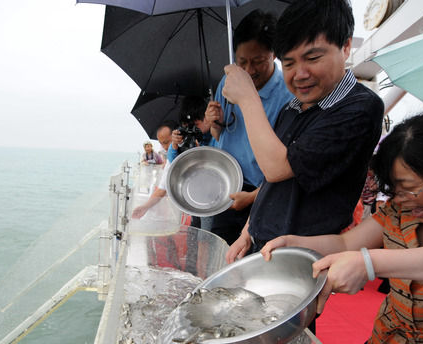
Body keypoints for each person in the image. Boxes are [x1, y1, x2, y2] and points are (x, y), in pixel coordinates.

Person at [260, 111, 423, 344]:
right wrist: (296, 242)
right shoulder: (397, 212)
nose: (402, 199)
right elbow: (345, 244)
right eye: (395, 190)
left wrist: (370, 262)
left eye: (411, 187)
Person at [223, 0, 384, 263]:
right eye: (288, 64)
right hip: (262, 246)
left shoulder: (360, 108)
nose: (300, 74)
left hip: (302, 255)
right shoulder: (292, 107)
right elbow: (271, 182)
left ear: (345, 46)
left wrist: (248, 98)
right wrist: (247, 232)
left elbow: (278, 167)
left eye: (312, 58)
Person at [205, 9, 293, 245]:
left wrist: (253, 197)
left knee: (253, 260)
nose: (249, 71)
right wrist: (215, 122)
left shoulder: (287, 95)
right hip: (226, 184)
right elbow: (218, 133)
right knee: (220, 251)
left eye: (258, 62)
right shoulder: (229, 80)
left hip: (262, 191)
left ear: (273, 54)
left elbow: (286, 164)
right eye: (242, 61)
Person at [133, 98, 212, 222]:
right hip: (196, 201)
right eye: (161, 144)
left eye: (167, 142)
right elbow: (163, 187)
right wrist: (145, 207)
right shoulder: (173, 153)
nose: (165, 147)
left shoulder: (208, 140)